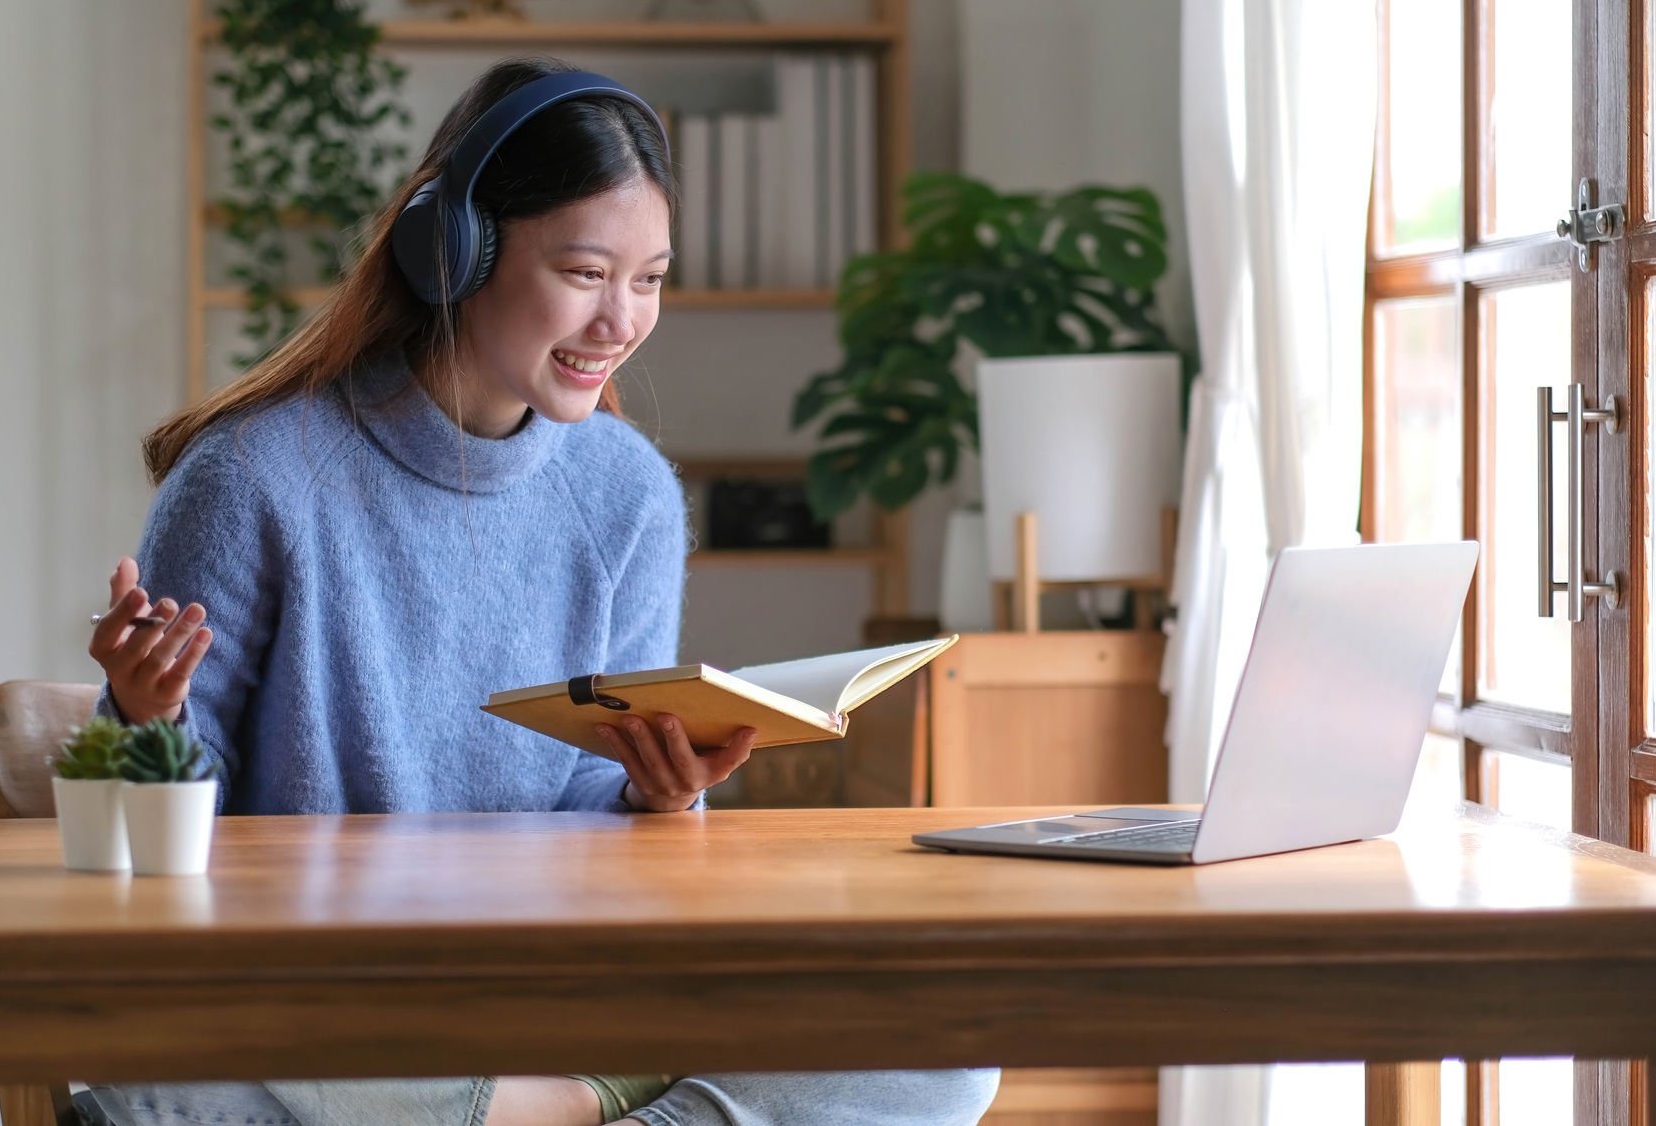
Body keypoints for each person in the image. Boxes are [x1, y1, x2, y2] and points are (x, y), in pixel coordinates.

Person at [84, 56, 999, 1126]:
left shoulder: (629, 498)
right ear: (454, 252)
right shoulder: (252, 479)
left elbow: (602, 854)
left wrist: (656, 799)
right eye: (583, 271)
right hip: (330, 995)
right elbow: (145, 879)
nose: (621, 320)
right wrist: (143, 717)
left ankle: (541, 1110)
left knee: (943, 1050)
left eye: (649, 278)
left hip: (546, 995)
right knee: (175, 1082)